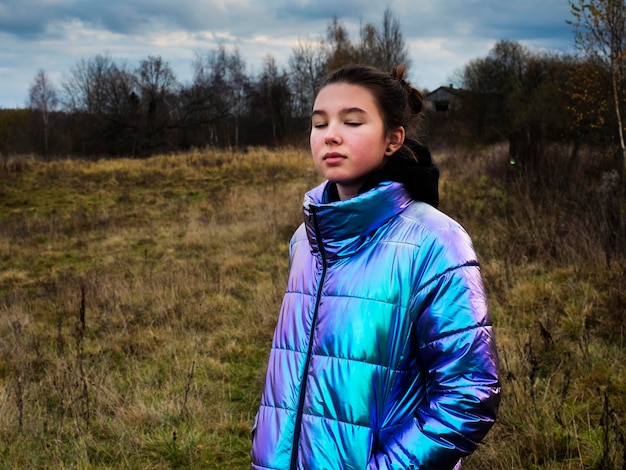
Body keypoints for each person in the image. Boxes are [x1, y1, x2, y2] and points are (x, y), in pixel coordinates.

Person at [250, 64, 500, 469]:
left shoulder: (435, 241)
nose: (330, 134)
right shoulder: (306, 239)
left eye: (352, 121)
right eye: (319, 123)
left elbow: (469, 394)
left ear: (393, 139)